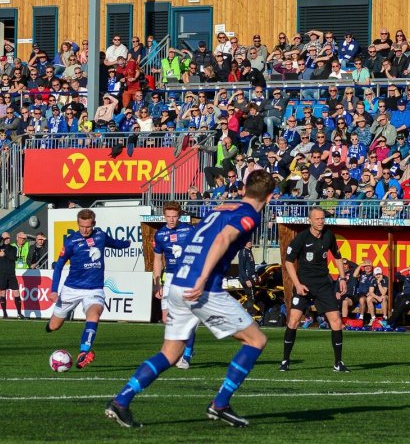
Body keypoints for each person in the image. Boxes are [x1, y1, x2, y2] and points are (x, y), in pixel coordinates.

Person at [105, 172, 274, 428]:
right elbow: (222, 238)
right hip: (202, 289)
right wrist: (204, 277)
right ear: (270, 197)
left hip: (178, 284)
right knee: (256, 340)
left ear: (244, 190)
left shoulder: (223, 207)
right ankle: (220, 403)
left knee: (170, 353)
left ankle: (121, 401)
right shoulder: (250, 214)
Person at [48, 209, 132, 368]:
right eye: (81, 226)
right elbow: (58, 267)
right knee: (54, 326)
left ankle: (83, 352)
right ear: (78, 224)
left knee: (94, 315)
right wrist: (53, 290)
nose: (85, 230)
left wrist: (127, 243)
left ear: (93, 223)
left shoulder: (100, 236)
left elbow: (116, 243)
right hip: (71, 289)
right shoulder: (71, 242)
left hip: (94, 289)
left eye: (88, 226)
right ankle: (51, 327)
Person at [282, 207, 349, 372]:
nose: (321, 221)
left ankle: (338, 363)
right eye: (317, 219)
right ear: (310, 220)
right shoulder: (302, 238)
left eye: (322, 218)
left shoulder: (329, 235)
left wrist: (341, 278)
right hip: (304, 284)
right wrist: (297, 284)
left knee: (336, 322)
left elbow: (338, 257)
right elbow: (288, 262)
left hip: (323, 284)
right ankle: (285, 360)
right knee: (294, 321)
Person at [152, 202, 196, 368]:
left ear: (179, 216)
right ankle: (182, 348)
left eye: (174, 216)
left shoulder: (189, 231)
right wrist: (157, 283)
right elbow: (157, 259)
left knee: (186, 317)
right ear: (164, 216)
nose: (171, 220)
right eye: (168, 216)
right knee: (166, 319)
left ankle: (186, 354)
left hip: (186, 277)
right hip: (169, 278)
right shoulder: (160, 234)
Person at [0, 231, 22, 318]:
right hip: (2, 274)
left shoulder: (13, 248)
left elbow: (13, 257)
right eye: (5, 238)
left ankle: (19, 313)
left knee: (16, 292)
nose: (7, 239)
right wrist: (1, 238)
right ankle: (5, 313)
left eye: (8, 237)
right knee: (2, 293)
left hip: (11, 274)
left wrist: (4, 254)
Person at [238, 239, 257, 316]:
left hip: (251, 277)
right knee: (251, 297)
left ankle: (247, 314)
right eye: (247, 241)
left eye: (250, 241)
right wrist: (246, 280)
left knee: (252, 297)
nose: (249, 242)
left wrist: (256, 275)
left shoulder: (249, 251)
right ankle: (248, 316)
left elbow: (251, 266)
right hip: (246, 278)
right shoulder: (243, 252)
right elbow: (241, 268)